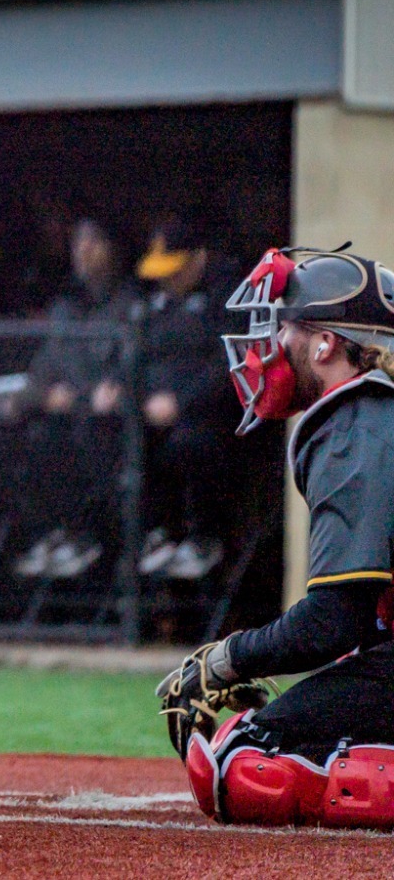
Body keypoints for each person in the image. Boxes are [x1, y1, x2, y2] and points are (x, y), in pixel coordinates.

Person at [158, 246, 394, 829]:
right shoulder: (375, 417)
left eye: (287, 324)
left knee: (243, 760)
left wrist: (225, 660)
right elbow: (360, 628)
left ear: (326, 343)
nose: (271, 341)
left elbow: (331, 622)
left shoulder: (356, 421)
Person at [2, 219, 139, 579]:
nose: (83, 250)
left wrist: (77, 398)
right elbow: (45, 368)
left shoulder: (133, 304)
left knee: (82, 440)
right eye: (78, 241)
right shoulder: (66, 306)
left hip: (112, 430)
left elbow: (117, 381)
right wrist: (36, 395)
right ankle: (54, 536)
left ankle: (89, 540)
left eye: (94, 241)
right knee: (17, 437)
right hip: (62, 422)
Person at [133, 217, 241, 581]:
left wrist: (181, 403)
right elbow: (137, 354)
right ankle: (153, 535)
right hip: (152, 416)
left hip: (212, 419)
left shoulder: (228, 296)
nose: (167, 279)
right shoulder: (157, 303)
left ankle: (203, 538)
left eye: (175, 270)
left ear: (198, 259)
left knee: (190, 444)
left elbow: (228, 368)